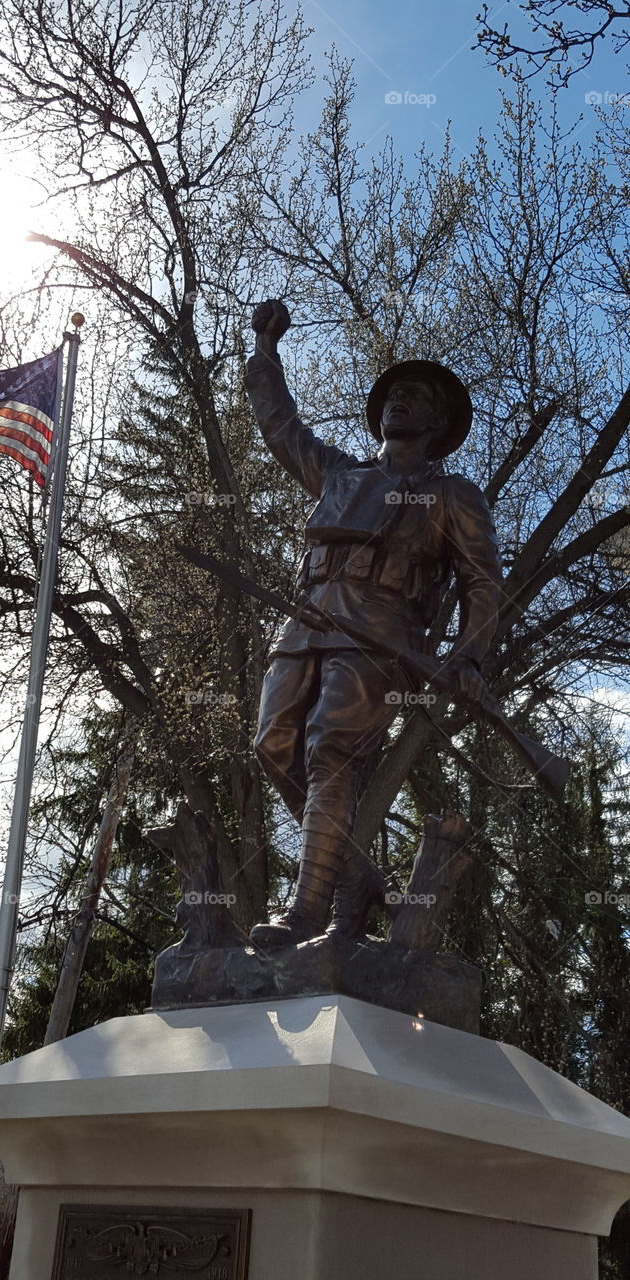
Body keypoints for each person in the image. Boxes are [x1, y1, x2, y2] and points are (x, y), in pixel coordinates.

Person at [245, 299, 502, 948]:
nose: (399, 400)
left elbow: (480, 583)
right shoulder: (339, 475)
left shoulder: (451, 496)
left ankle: (305, 914)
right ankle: (353, 881)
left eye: (415, 396)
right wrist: (265, 350)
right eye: (393, 393)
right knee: (273, 746)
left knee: (329, 750)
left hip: (383, 636)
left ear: (438, 421)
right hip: (305, 623)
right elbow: (281, 427)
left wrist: (469, 658)